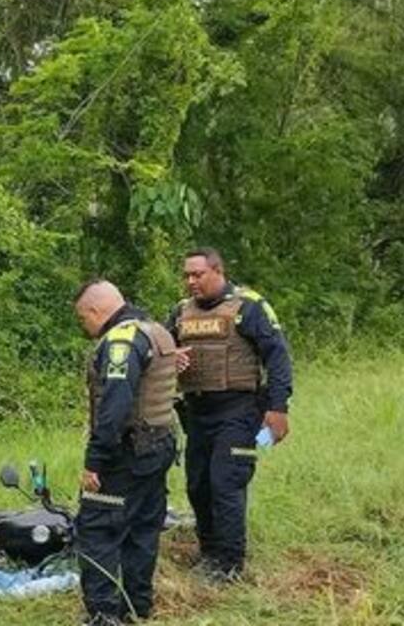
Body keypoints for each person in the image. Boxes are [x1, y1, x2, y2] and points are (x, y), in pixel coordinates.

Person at [165, 247, 293, 583]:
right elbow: (160, 350)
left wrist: (278, 409)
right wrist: (172, 356)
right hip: (196, 413)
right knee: (198, 485)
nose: (191, 281)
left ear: (217, 271)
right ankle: (209, 553)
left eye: (198, 274)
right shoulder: (180, 312)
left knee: (226, 483)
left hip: (239, 412)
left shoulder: (248, 306)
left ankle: (230, 564)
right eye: (187, 275)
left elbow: (278, 357)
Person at [73, 279, 185, 625]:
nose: (86, 327)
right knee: (142, 528)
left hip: (126, 453)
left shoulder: (121, 341)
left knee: (97, 529)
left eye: (83, 319)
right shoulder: (156, 331)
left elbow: (115, 407)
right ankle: (137, 607)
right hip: (159, 444)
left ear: (95, 310)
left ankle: (104, 615)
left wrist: (95, 460)